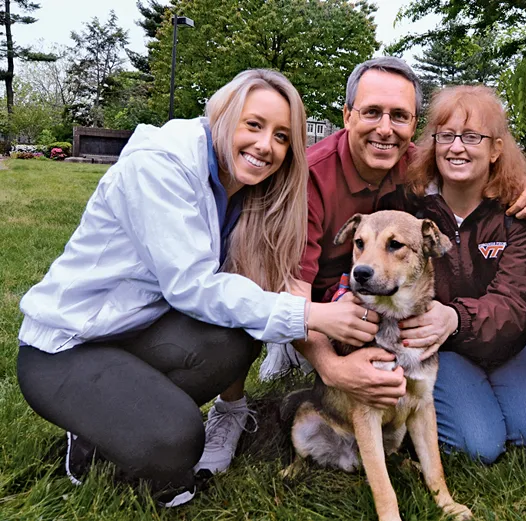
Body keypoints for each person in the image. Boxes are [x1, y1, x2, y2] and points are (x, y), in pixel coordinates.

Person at [15, 69, 378, 507]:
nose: (266, 146)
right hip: (66, 346)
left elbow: (253, 286)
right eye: (254, 125)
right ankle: (98, 425)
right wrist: (313, 316)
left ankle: (111, 417)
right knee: (178, 441)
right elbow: (192, 287)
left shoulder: (245, 185)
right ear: (223, 115)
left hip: (134, 331)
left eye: (282, 136)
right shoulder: (161, 166)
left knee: (236, 338)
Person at [196, 57, 526, 475]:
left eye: (399, 116)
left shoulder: (422, 169)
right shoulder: (313, 179)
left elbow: (475, 160)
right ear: (346, 115)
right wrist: (332, 366)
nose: (385, 128)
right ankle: (262, 378)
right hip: (320, 295)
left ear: (414, 125)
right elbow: (293, 290)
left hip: (420, 313)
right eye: (371, 112)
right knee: (478, 444)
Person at [380, 85, 526, 463]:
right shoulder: (406, 209)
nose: (457, 147)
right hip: (442, 348)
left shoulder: (519, 212)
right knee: (480, 446)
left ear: (495, 149)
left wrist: (455, 317)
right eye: (447, 136)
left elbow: (517, 303)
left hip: (507, 342)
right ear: (433, 144)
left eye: (472, 137)